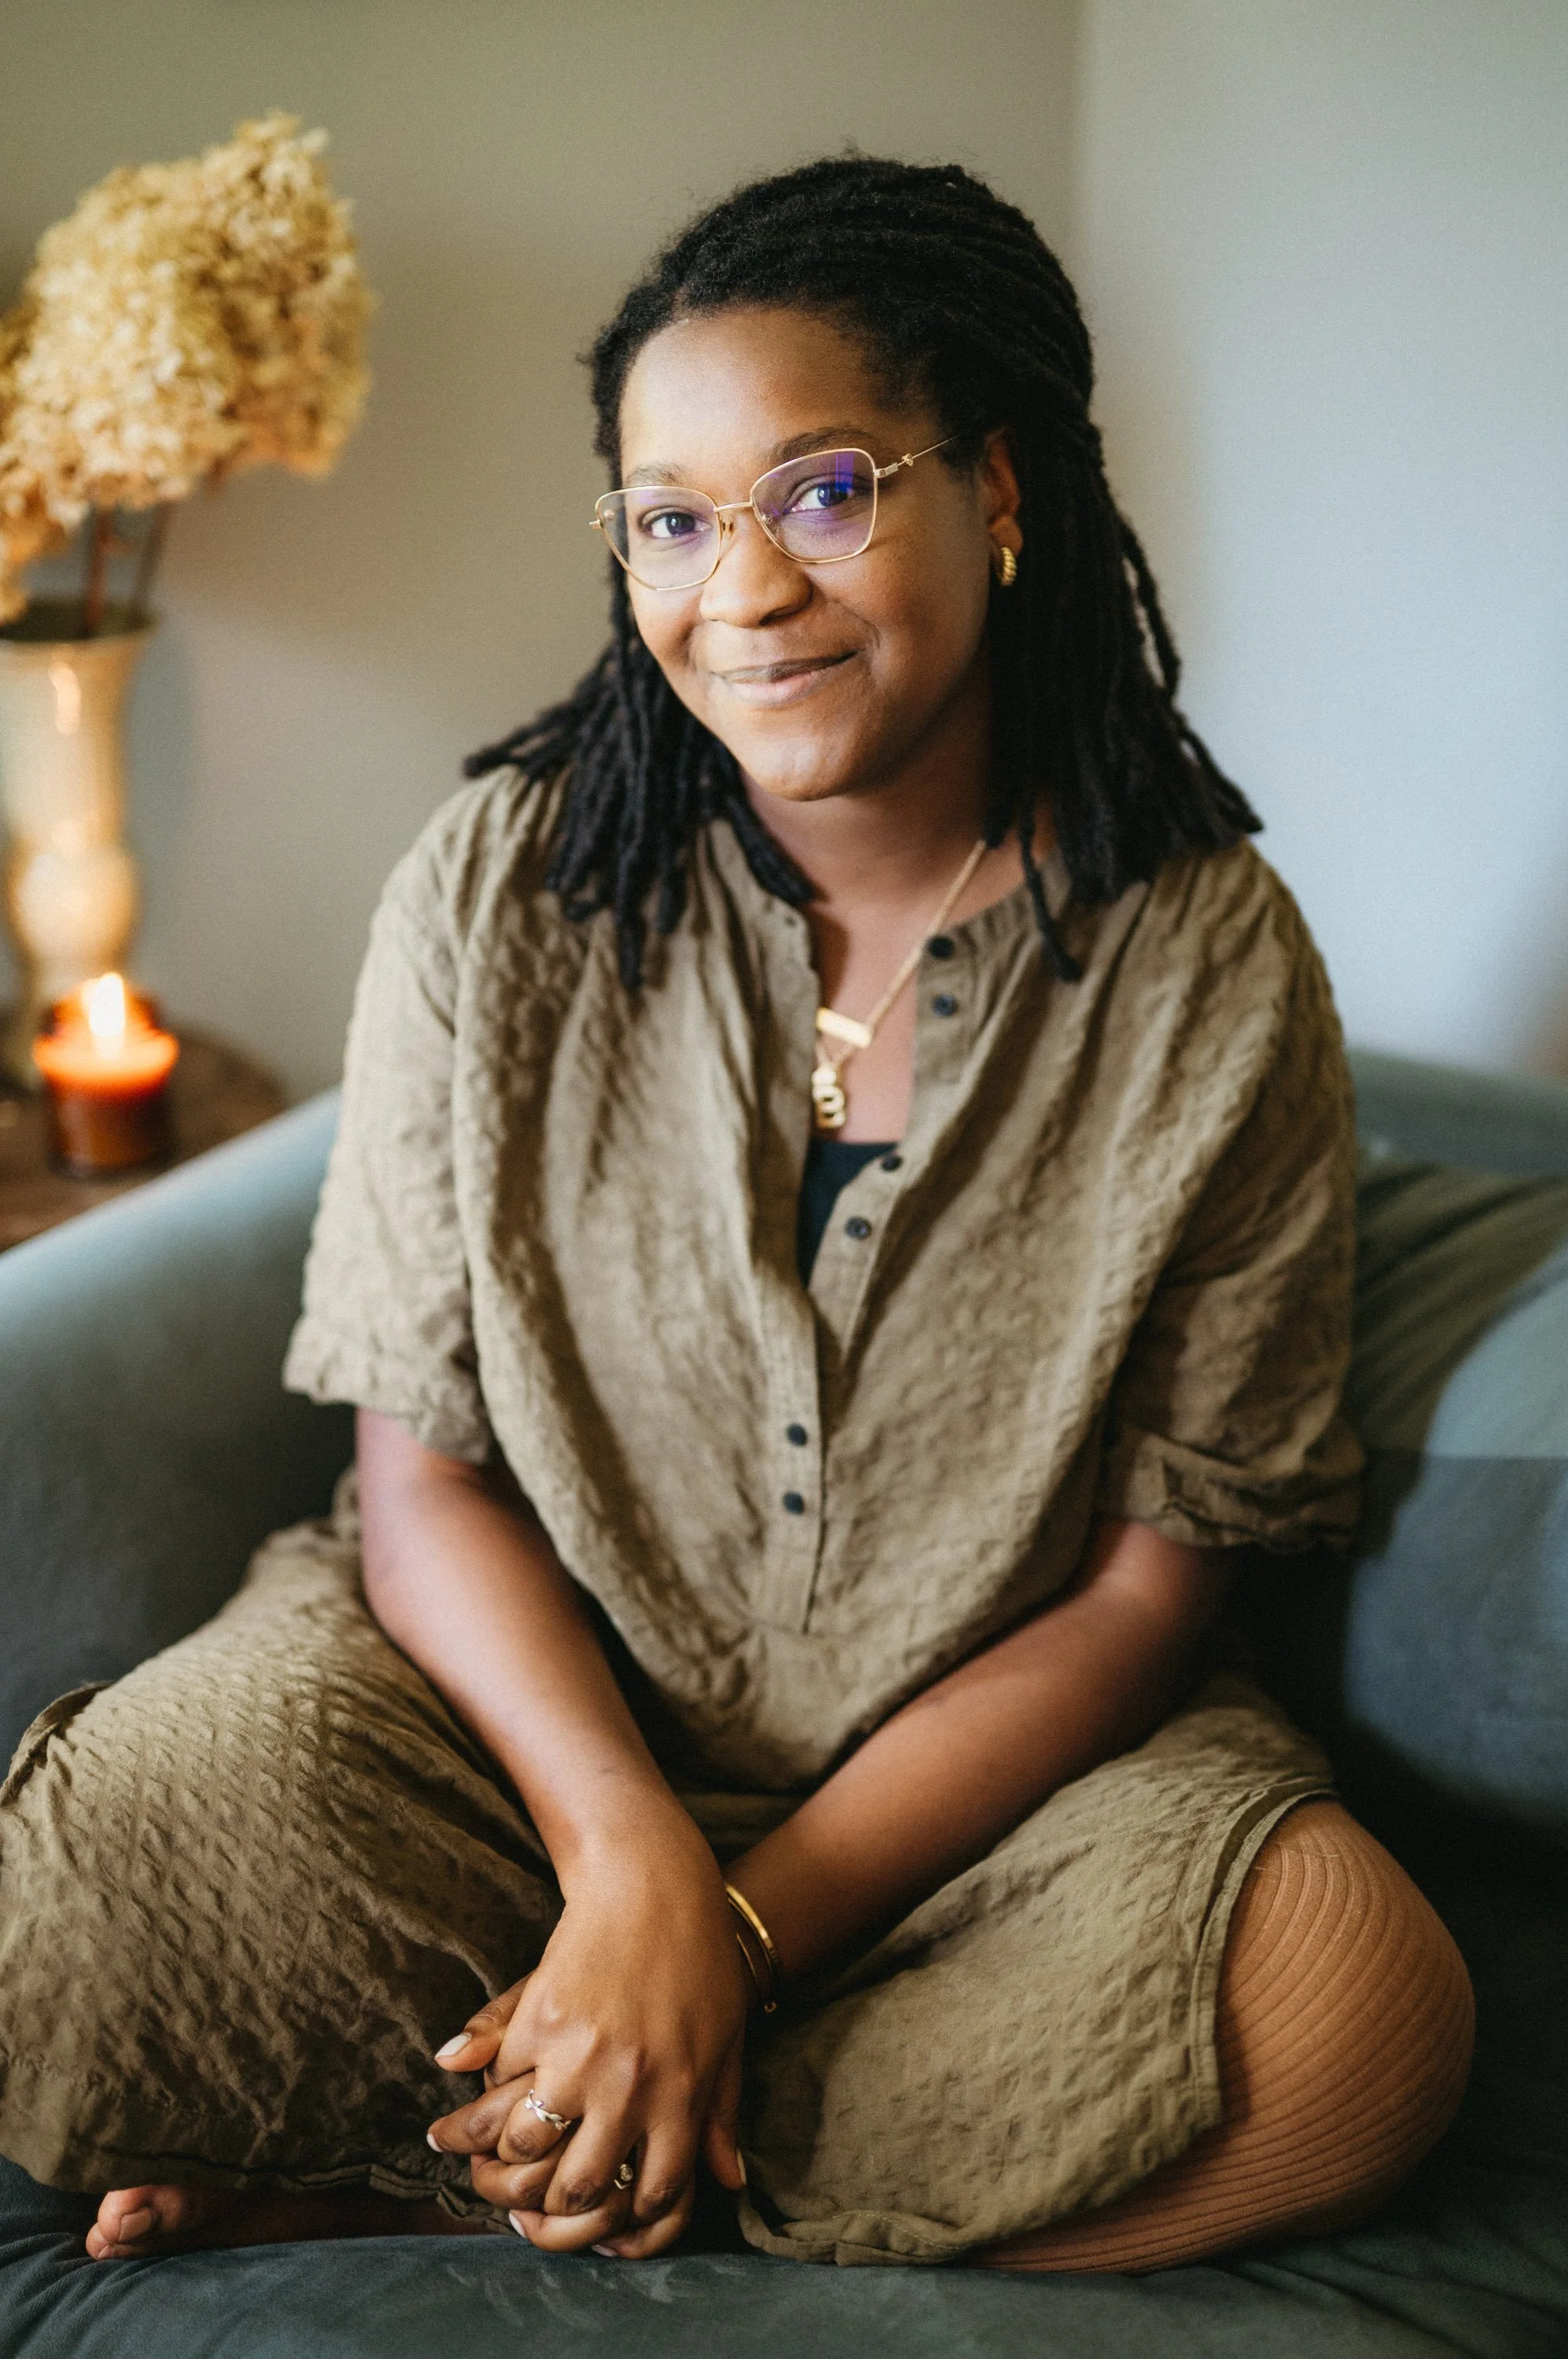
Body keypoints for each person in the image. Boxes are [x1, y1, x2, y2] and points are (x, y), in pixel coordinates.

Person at [0, 156, 1472, 2273]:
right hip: (493, 1740)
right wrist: (629, 1876)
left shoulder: (1208, 961)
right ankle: (605, 2088)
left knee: (1353, 2018)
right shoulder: (503, 881)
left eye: (822, 492)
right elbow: (414, 1483)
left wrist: (750, 1929)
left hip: (992, 1804)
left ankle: (437, 2169)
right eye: (670, 519)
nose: (740, 590)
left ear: (1004, 494)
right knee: (90, 1886)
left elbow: (1155, 1595)